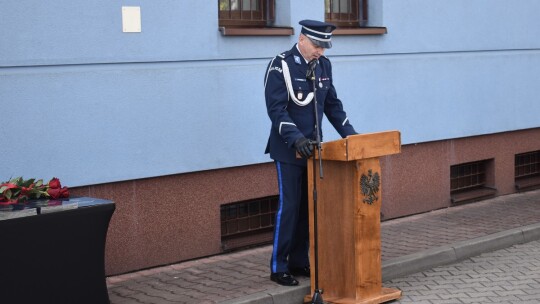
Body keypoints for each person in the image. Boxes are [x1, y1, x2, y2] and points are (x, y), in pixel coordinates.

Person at [263, 19, 358, 286]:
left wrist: (352, 137)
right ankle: (278, 267)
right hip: (289, 151)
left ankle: (298, 261)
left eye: (324, 47)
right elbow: (276, 110)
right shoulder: (280, 65)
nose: (321, 51)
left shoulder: (323, 66)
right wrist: (296, 139)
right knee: (290, 207)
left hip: (316, 150)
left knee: (309, 208)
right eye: (317, 45)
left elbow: (333, 106)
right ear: (302, 38)